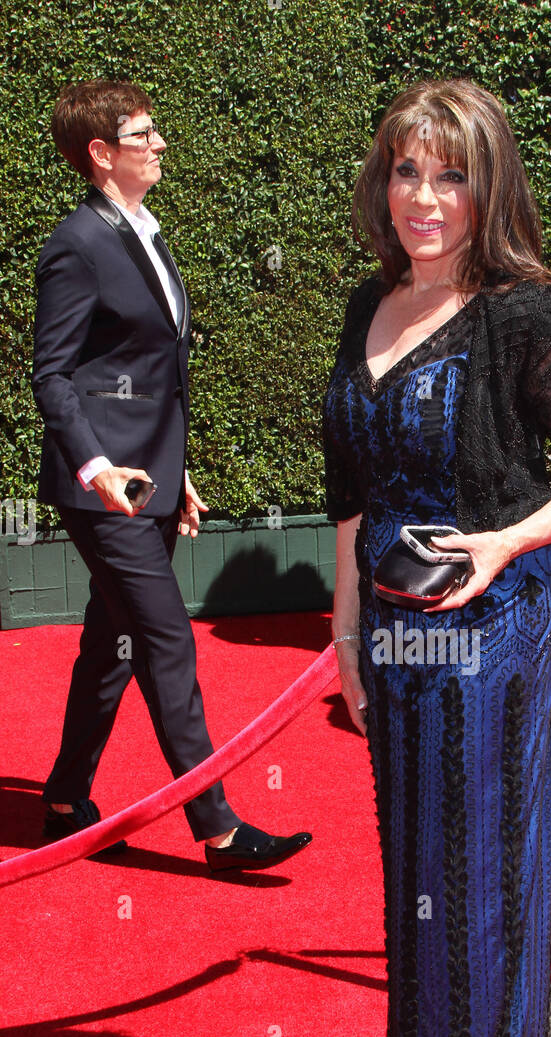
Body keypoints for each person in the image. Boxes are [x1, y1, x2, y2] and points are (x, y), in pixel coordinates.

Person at [323, 79, 551, 1037]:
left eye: (450, 173)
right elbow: (350, 492)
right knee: (418, 893)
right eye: (407, 170)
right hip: (398, 648)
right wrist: (346, 631)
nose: (425, 198)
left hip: (488, 642)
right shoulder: (369, 303)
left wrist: (508, 540)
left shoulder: (520, 316)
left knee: (472, 894)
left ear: (486, 184)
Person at [33, 80, 310, 873]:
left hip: (147, 479)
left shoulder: (146, 234)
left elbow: (150, 375)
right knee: (165, 638)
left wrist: (173, 470)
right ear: (101, 153)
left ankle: (62, 795)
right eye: (144, 133)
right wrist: (96, 468)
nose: (159, 144)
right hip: (103, 490)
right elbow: (51, 376)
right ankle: (216, 823)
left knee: (111, 645)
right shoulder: (77, 243)